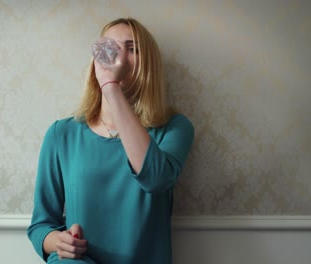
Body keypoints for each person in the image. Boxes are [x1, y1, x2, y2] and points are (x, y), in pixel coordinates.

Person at [27, 17, 194, 264]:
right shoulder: (61, 134)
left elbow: (156, 178)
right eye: (109, 48)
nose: (118, 57)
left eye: (132, 49)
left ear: (148, 64)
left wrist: (111, 88)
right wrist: (59, 242)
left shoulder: (174, 128)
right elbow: (41, 225)